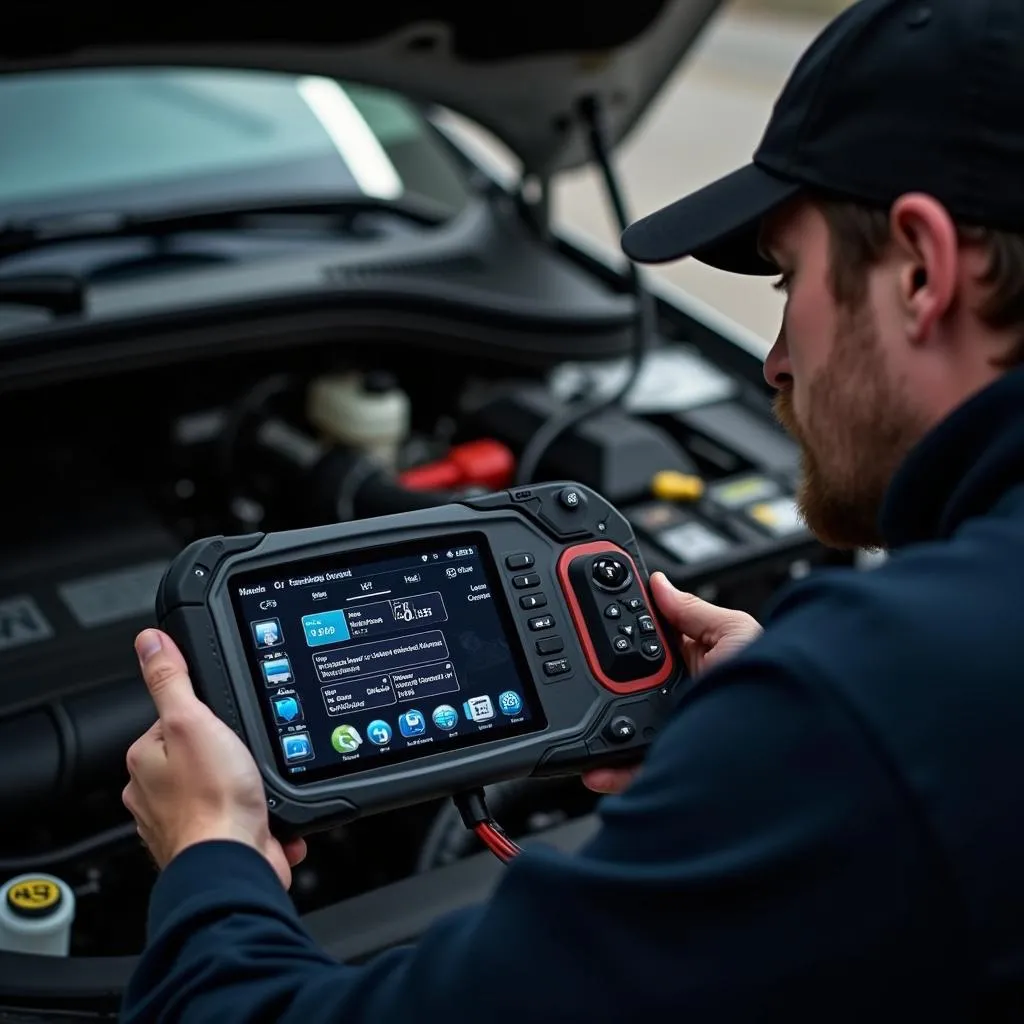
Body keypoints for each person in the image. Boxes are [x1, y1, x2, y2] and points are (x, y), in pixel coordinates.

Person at [120, 0, 1024, 1019]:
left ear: (920, 269)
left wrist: (208, 860)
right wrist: (776, 768)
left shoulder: (885, 701)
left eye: (789, 282)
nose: (772, 361)